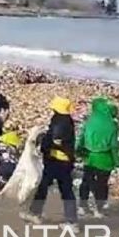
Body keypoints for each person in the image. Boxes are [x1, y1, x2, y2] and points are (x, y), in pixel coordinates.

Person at [22, 97, 78, 229]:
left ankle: (35, 213)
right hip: (65, 161)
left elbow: (55, 140)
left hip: (56, 160)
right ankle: (71, 221)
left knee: (45, 186)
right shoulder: (67, 121)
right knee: (66, 190)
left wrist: (43, 144)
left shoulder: (59, 122)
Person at [76, 97, 119, 218]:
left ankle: (82, 206)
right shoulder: (112, 125)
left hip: (89, 158)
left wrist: (79, 152)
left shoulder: (90, 121)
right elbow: (113, 146)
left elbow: (81, 139)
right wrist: (117, 163)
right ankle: (98, 210)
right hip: (105, 160)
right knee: (102, 184)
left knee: (86, 181)